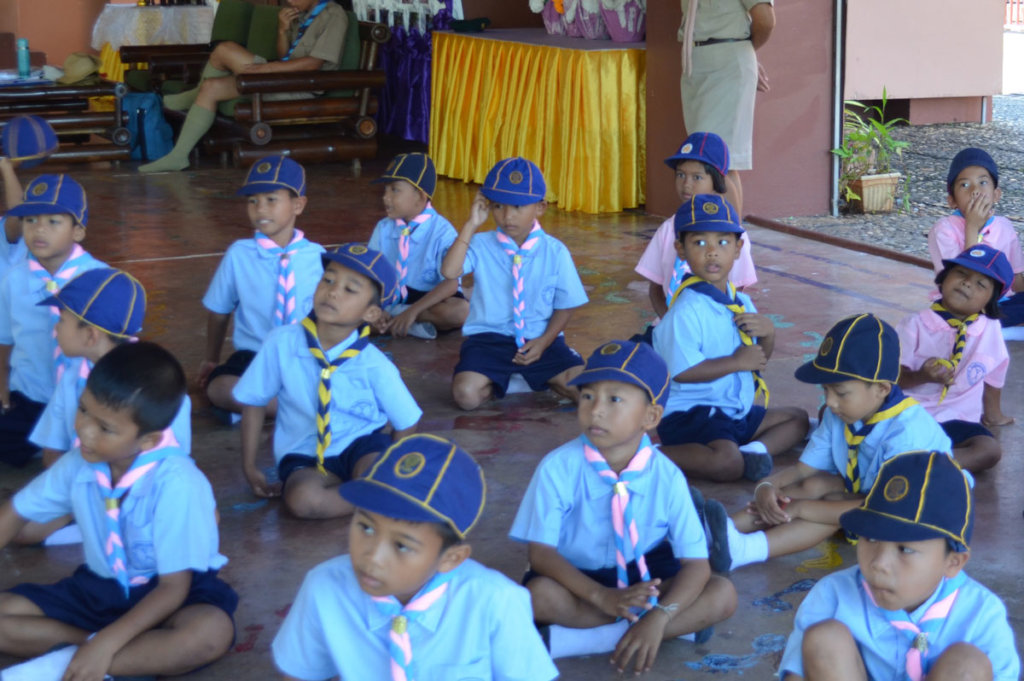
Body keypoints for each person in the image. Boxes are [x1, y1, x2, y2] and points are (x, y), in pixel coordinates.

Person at [0, 342, 237, 681]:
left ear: (149, 441)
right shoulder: (79, 463)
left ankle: (63, 665)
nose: (84, 431)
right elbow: (16, 511)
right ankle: (97, 654)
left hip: (171, 594)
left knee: (208, 634)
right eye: (83, 411)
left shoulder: (178, 483)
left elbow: (174, 587)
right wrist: (102, 643)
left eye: (105, 428)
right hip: (101, 587)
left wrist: (108, 642)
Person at [509, 340, 737, 674]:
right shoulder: (557, 467)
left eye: (614, 399)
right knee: (536, 597)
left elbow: (696, 565)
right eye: (587, 396)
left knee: (723, 593)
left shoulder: (668, 476)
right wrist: (603, 597)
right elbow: (541, 554)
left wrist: (660, 615)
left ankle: (597, 637)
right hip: (579, 578)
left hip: (648, 574)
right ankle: (659, 630)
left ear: (651, 416)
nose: (595, 410)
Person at [272, 433, 558, 681]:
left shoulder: (496, 602)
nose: (373, 556)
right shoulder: (324, 588)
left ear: (452, 558)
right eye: (366, 527)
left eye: (402, 546)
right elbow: (299, 674)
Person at [708, 313, 952, 574]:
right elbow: (803, 471)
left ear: (881, 388)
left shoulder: (908, 432)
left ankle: (743, 551)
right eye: (826, 391)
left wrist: (803, 508)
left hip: (914, 517)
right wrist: (767, 486)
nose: (830, 402)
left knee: (829, 510)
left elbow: (882, 507)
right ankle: (715, 531)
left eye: (841, 392)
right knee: (817, 485)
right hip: (871, 495)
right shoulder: (844, 413)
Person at [778, 450, 1020, 681]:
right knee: (824, 639)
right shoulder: (833, 594)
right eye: (870, 538)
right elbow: (797, 674)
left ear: (953, 562)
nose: (879, 563)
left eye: (905, 549)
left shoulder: (983, 614)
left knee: (968, 666)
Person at [233, 243, 422, 519]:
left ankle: (373, 490)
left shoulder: (374, 364)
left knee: (377, 474)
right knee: (301, 500)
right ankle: (372, 498)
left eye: (350, 289)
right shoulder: (281, 342)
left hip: (362, 444)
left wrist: (391, 463)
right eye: (328, 279)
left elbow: (408, 421)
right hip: (303, 451)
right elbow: (254, 401)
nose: (333, 291)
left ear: (370, 314)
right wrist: (249, 466)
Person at [20, 268, 192, 546]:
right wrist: (79, 489)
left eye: (61, 321)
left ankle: (107, 524)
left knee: (193, 517)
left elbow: (171, 466)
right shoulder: (74, 377)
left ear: (90, 336)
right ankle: (94, 521)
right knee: (21, 528)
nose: (55, 329)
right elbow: (53, 449)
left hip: (138, 495)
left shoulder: (157, 387)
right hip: (84, 483)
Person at [652, 194, 808, 482]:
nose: (712, 252)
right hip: (693, 413)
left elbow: (757, 360)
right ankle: (649, 456)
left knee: (798, 419)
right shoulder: (685, 311)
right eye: (699, 243)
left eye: (723, 243)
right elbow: (683, 372)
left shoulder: (742, 302)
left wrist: (768, 334)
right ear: (681, 249)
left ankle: (755, 451)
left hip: (732, 409)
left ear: (738, 249)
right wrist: (735, 362)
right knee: (726, 463)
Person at [440, 157, 588, 411]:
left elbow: (566, 305)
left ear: (540, 207)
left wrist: (543, 342)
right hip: (489, 340)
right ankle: (518, 379)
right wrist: (470, 224)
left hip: (540, 338)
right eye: (498, 206)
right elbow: (449, 271)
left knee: (586, 392)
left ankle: (523, 377)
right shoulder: (480, 243)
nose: (507, 216)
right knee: (465, 396)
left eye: (518, 206)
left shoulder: (555, 251)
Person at [139, 0, 349, 172]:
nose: (288, 1)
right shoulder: (300, 14)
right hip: (282, 78)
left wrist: (267, 70)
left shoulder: (334, 15)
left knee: (225, 50)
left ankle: (190, 97)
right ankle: (178, 156)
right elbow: (284, 56)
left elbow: (314, 63)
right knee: (211, 87)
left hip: (299, 86)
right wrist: (282, 30)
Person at [198, 155, 325, 424]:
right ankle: (302, 408)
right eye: (252, 201)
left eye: (271, 199)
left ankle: (271, 406)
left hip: (304, 354)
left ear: (298, 205)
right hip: (254, 356)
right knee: (217, 388)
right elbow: (219, 312)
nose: (260, 209)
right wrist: (211, 358)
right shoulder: (239, 254)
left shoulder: (319, 257)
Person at [0, 174, 107, 467]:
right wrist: (3, 383)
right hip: (31, 397)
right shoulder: (13, 279)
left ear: (78, 231)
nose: (39, 230)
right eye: (30, 220)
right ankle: (41, 442)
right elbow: (5, 339)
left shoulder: (100, 280)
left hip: (84, 402)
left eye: (53, 221)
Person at [898, 245, 1012, 473]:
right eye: (961, 273)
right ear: (944, 277)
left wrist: (993, 415)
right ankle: (912, 458)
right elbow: (893, 378)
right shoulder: (915, 324)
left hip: (954, 421)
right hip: (908, 414)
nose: (967, 283)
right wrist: (921, 375)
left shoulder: (990, 330)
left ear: (990, 300)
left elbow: (994, 376)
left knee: (989, 450)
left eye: (981, 284)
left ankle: (921, 466)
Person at [634, 132, 756, 328]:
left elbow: (737, 289)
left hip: (717, 327)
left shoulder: (734, 233)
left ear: (717, 182)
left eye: (697, 177)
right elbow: (655, 287)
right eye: (681, 175)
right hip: (671, 325)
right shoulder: (668, 229)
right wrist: (669, 323)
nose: (686, 184)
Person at [677, 0, 775, 217]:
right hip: (695, 59)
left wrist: (740, 49)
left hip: (727, 62)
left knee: (717, 159)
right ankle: (725, 237)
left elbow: (765, 20)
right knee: (712, 156)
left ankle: (731, 242)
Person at [367, 152, 469, 338]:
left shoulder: (443, 231)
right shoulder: (383, 227)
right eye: (385, 190)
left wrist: (412, 312)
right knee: (349, 306)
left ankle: (399, 321)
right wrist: (374, 307)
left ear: (420, 196)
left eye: (394, 190)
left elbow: (451, 284)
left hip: (428, 298)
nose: (385, 197)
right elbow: (370, 273)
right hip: (390, 296)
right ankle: (410, 326)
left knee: (459, 311)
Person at [926, 147, 1024, 327]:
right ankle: (984, 331)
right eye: (964, 185)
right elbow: (965, 282)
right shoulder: (943, 230)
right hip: (959, 305)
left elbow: (1017, 279)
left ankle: (990, 329)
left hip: (998, 304)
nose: (975, 191)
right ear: (952, 200)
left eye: (983, 183)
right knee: (966, 319)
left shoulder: (1005, 227)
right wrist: (971, 227)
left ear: (996, 194)